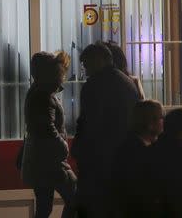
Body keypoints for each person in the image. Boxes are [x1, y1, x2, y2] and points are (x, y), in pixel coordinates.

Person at [71, 42, 140, 218]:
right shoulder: (128, 82)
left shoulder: (94, 86)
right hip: (124, 157)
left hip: (98, 160)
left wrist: (79, 149)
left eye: (87, 65)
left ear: (100, 60)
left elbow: (89, 122)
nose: (86, 71)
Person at [21, 51, 76, 218]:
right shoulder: (43, 95)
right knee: (76, 197)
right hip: (51, 161)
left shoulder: (39, 92)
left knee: (44, 207)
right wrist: (63, 146)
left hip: (40, 161)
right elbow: (47, 128)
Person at [111, 99, 164, 217]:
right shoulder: (138, 152)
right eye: (161, 117)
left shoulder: (133, 144)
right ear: (150, 122)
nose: (163, 122)